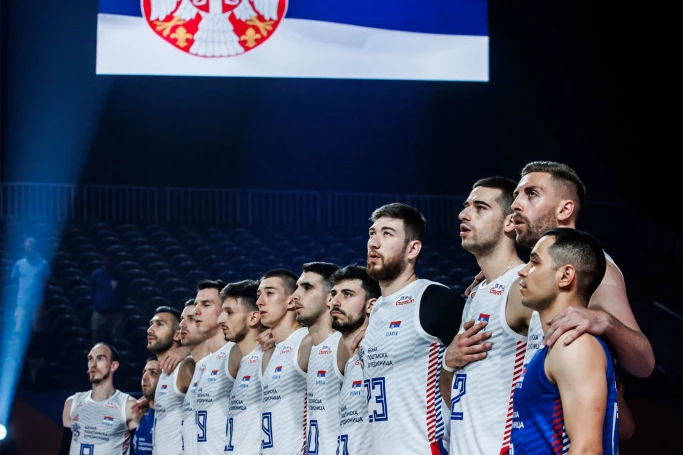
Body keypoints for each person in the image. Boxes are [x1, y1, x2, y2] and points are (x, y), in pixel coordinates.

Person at [464, 161, 654, 380]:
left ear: (564, 209)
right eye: (516, 195)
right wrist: (500, 278)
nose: (516, 204)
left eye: (532, 194)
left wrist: (605, 321)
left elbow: (644, 364)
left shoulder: (593, 268)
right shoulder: (531, 275)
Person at [360, 202, 465, 454]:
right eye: (372, 233)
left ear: (413, 249)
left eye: (387, 234)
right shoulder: (376, 310)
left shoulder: (434, 298)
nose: (374, 243)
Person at [441, 177, 530, 455]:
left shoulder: (523, 286)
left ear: (510, 222)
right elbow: (457, 398)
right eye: (466, 206)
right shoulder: (476, 293)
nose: (463, 214)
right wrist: (448, 362)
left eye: (480, 207)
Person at [510, 228, 619, 454]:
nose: (523, 271)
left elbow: (587, 449)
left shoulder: (574, 345)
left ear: (565, 275)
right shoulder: (557, 346)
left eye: (534, 262)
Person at [329, 264, 380, 455]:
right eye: (334, 294)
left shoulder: (382, 356)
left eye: (347, 294)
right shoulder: (350, 361)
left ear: (371, 305)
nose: (335, 302)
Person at [257, 268, 309, 455]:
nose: (260, 301)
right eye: (258, 294)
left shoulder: (307, 341)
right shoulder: (270, 350)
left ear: (291, 300)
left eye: (269, 293)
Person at [291, 262, 341, 455]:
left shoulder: (344, 346)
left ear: (330, 298)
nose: (295, 295)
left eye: (307, 287)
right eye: (297, 287)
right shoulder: (306, 348)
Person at [59, 342, 139, 455]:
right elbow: (65, 449)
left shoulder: (128, 405)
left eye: (100, 358)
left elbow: (139, 449)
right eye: (90, 359)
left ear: (113, 366)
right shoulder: (72, 403)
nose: (93, 364)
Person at [191, 279, 239, 455]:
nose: (196, 311)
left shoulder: (237, 355)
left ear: (224, 310)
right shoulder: (203, 364)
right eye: (196, 304)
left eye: (206, 305)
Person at [217, 279, 264, 455]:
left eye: (229, 313)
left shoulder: (268, 359)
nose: (220, 320)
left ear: (253, 317)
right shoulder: (243, 362)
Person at [11, 237, 50, 333]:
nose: (29, 249)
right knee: (19, 330)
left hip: (37, 303)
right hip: (22, 302)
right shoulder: (18, 264)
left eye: (32, 247)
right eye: (27, 247)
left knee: (36, 330)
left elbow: (46, 283)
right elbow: (14, 283)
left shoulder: (43, 264)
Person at [89, 247, 128, 343]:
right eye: (106, 259)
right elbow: (92, 290)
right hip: (99, 312)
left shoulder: (121, 275)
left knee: (115, 342)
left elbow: (124, 292)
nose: (107, 262)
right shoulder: (96, 274)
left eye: (110, 259)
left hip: (115, 314)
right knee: (97, 341)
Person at [133, 357, 160, 455]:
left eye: (153, 373)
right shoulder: (137, 413)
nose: (144, 377)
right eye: (144, 372)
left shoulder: (175, 416)